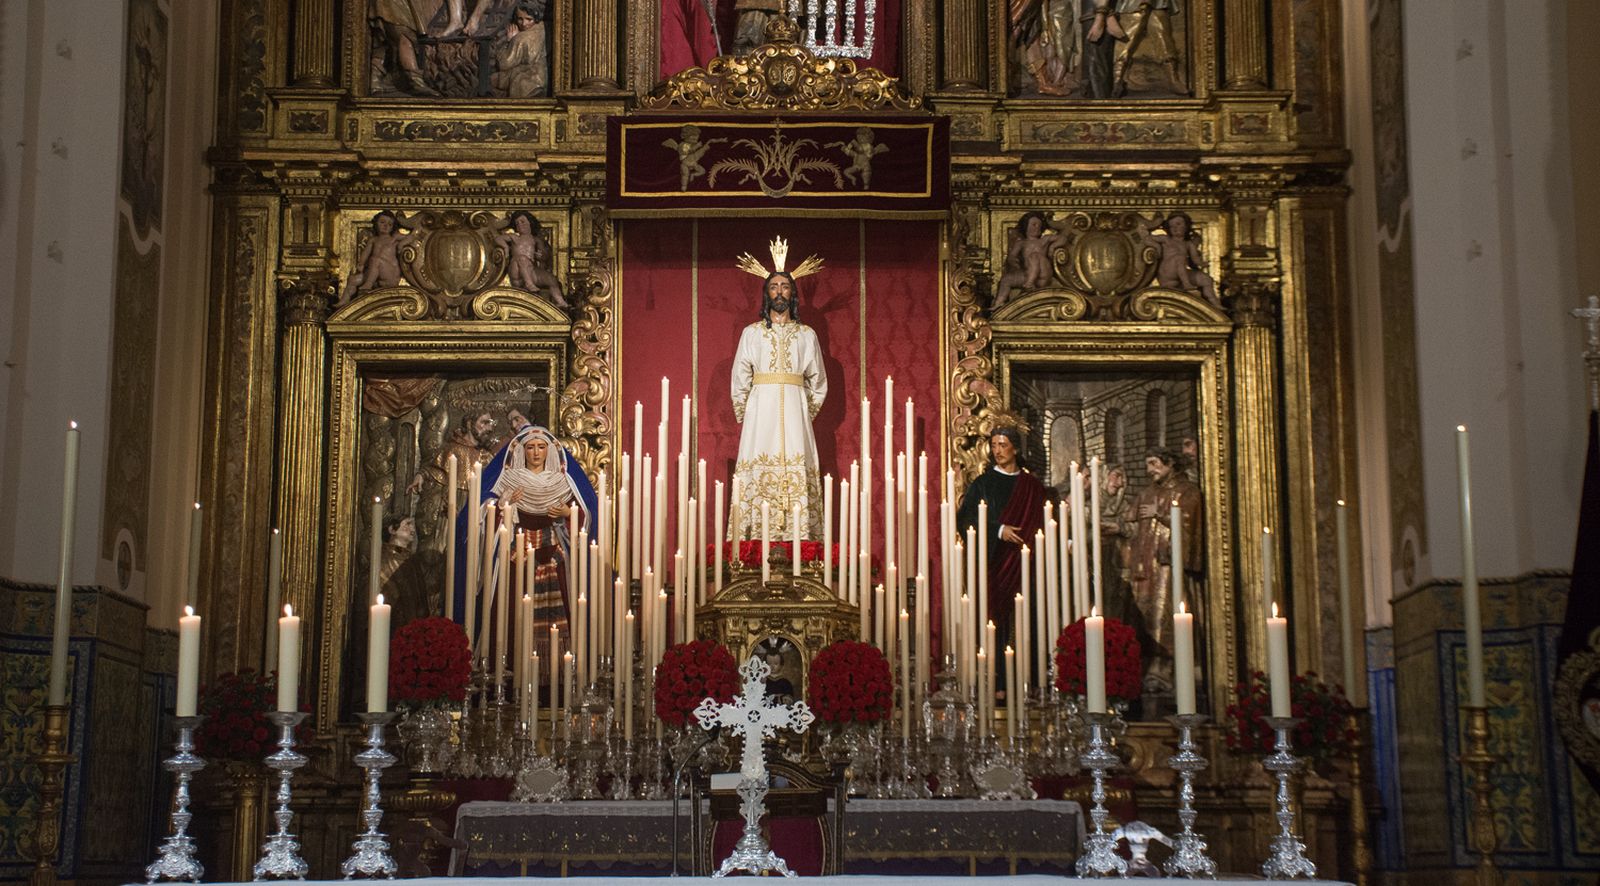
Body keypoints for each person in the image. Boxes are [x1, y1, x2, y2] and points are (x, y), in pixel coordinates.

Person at [731, 271, 828, 542]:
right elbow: (740, 377)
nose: (780, 292)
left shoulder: (807, 336)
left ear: (792, 293)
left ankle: (802, 538)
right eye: (774, 287)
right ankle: (754, 536)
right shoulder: (751, 334)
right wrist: (746, 411)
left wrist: (803, 412)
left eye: (785, 287)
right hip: (760, 415)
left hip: (795, 418)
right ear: (766, 294)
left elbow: (818, 380)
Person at [956, 427, 1047, 650]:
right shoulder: (983, 484)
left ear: (1015, 448)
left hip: (1027, 566)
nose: (997, 450)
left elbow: (1044, 522)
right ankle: (997, 680)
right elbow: (965, 520)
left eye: (1003, 445)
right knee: (996, 625)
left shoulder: (1032, 486)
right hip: (995, 566)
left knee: (1028, 624)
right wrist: (998, 530)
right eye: (994, 445)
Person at [1127, 448, 1203, 697]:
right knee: (1146, 618)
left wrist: (1160, 514)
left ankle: (1171, 669)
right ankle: (1149, 668)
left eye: (1154, 463)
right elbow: (1131, 523)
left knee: (1168, 615)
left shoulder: (1187, 491)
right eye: (1148, 464)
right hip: (1147, 568)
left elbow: (1189, 522)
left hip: (1170, 567)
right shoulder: (1148, 492)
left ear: (1169, 463)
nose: (1150, 470)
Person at [1138, 212, 1219, 308]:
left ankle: (1215, 304)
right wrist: (1146, 234)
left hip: (1181, 274)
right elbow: (1147, 238)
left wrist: (1202, 263)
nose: (1175, 228)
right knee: (1179, 257)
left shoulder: (1188, 244)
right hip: (1167, 275)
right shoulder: (1166, 239)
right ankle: (1187, 285)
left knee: (1206, 279)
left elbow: (1195, 259)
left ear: (1186, 226)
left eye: (1178, 224)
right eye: (1172, 226)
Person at [993, 212, 1072, 308]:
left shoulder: (1044, 240)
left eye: (1039, 225)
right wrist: (1014, 263)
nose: (1037, 227)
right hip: (1027, 274)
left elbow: (1063, 238)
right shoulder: (1021, 243)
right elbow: (1012, 256)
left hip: (1042, 275)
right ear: (1026, 226)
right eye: (1034, 224)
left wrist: (1052, 247)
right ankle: (998, 304)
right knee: (1006, 280)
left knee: (1034, 256)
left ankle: (1029, 285)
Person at [495, 211, 568, 307]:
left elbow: (545, 255)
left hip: (531, 270)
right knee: (522, 259)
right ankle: (529, 284)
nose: (520, 225)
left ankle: (561, 302)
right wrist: (506, 248)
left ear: (530, 223)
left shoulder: (536, 240)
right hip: (517, 271)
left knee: (551, 279)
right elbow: (498, 239)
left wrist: (541, 256)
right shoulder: (514, 237)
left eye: (523, 221)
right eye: (517, 223)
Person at [343, 211, 419, 302]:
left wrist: (401, 244)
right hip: (375, 273)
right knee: (353, 279)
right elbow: (366, 253)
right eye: (382, 222)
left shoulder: (394, 237)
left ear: (393, 227)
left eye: (390, 224)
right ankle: (343, 301)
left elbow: (412, 237)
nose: (386, 226)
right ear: (376, 223)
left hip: (390, 274)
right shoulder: (373, 240)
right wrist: (361, 264)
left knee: (376, 260)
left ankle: (367, 285)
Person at [491, 2, 549, 98]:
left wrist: (510, 40)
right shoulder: (544, 28)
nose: (524, 23)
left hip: (527, 81)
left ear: (536, 18)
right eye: (520, 19)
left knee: (490, 80)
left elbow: (503, 64)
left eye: (529, 19)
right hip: (542, 76)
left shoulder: (521, 39)